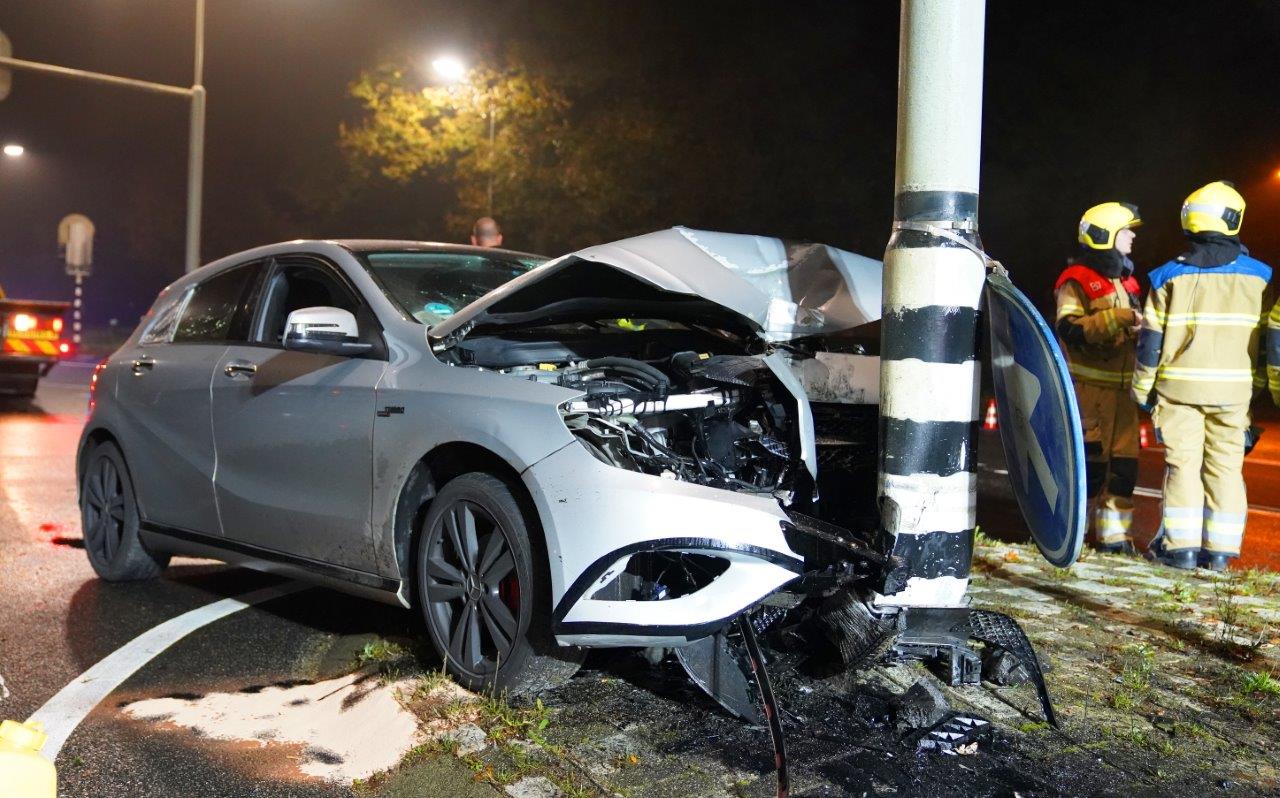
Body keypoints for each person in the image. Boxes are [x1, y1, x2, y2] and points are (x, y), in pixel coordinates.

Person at [1132, 181, 1271, 571]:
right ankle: (1222, 553)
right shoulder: (1260, 277)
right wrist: (1261, 386)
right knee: (1226, 469)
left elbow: (1150, 345)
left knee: (1183, 466)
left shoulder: (1165, 277)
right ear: (1233, 219)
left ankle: (1181, 551)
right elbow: (1264, 342)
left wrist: (1142, 390)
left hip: (1178, 391)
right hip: (1233, 392)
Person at [1054, 202, 1144, 553]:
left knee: (1123, 470)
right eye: (1126, 231)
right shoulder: (1075, 282)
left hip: (1123, 392)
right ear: (1106, 236)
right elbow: (1069, 329)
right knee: (1088, 470)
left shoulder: (1126, 279)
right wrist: (1119, 318)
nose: (1132, 236)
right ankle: (1074, 538)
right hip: (1089, 391)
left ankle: (1115, 540)